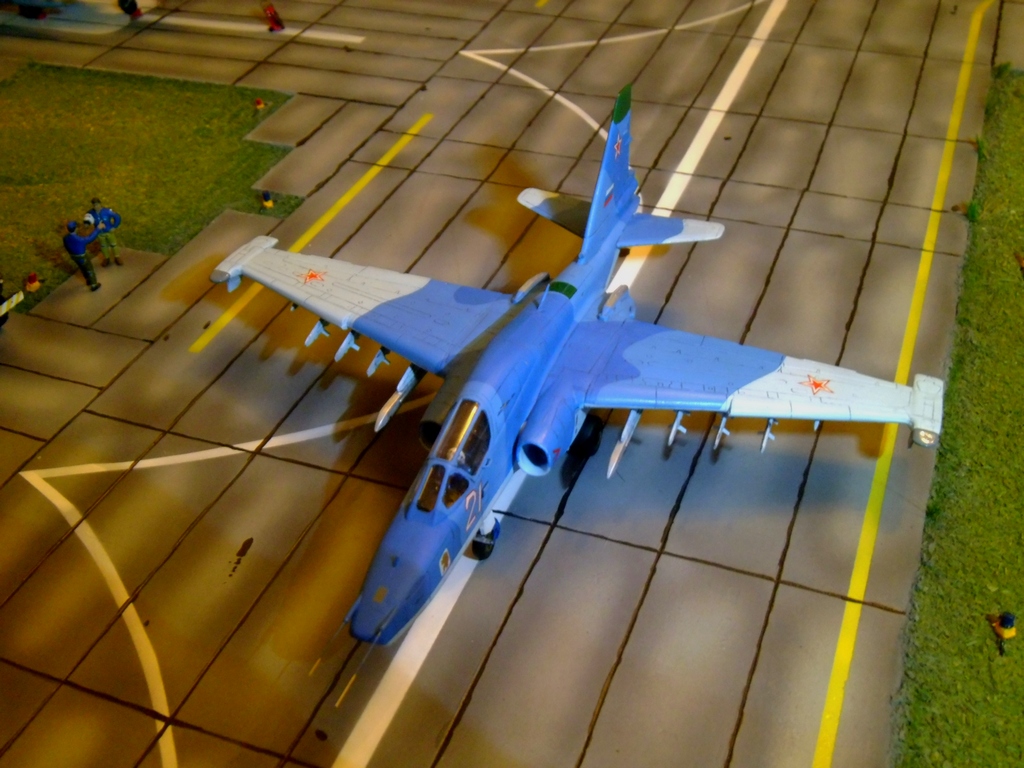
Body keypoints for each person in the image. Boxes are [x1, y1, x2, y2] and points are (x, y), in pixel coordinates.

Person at [62, 221, 101, 291]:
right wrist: (98, 229)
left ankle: (88, 280)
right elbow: (90, 238)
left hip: (74, 256)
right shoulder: (79, 239)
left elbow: (66, 246)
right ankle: (94, 285)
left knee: (82, 268)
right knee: (89, 269)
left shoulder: (65, 238)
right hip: (82, 256)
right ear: (75, 228)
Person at [84, 197, 123, 266]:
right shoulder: (91, 213)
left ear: (100, 204)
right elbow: (87, 220)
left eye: (97, 204)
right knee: (103, 246)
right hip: (100, 233)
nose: (96, 206)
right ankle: (106, 258)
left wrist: (114, 226)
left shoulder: (107, 211)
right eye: (94, 205)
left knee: (114, 244)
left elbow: (117, 217)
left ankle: (117, 257)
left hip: (109, 232)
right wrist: (87, 224)